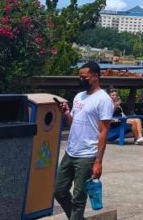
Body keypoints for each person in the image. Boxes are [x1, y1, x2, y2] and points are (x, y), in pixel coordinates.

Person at [55, 61, 114, 220]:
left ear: (95, 76)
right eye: (79, 77)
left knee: (78, 198)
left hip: (87, 155)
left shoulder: (103, 100)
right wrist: (66, 114)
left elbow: (103, 131)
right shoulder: (79, 96)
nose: (81, 80)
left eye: (84, 77)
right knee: (59, 191)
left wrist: (98, 162)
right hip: (71, 151)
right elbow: (74, 123)